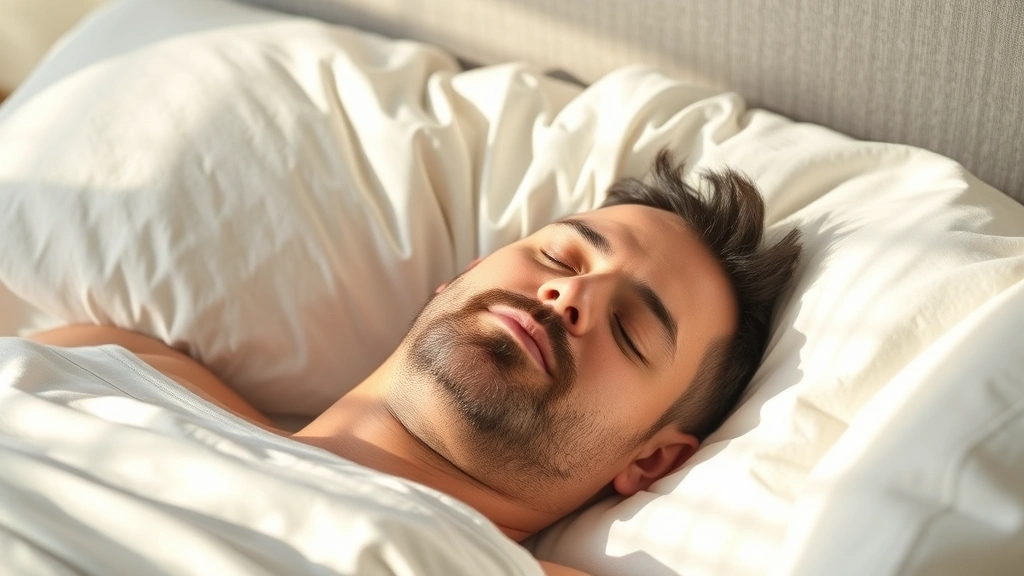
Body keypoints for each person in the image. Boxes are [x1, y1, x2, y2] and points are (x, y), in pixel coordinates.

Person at [19, 150, 802, 576]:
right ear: (460, 276)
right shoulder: (106, 358)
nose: (569, 294)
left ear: (653, 458)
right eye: (559, 255)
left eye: (631, 330)